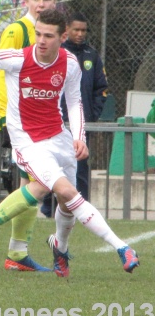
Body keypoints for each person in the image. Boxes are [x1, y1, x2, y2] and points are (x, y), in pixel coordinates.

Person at [0, 8, 139, 277]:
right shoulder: (18, 59)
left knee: (65, 202)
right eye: (38, 34)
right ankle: (122, 247)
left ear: (62, 36)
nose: (41, 40)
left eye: (48, 36)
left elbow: (75, 102)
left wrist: (79, 136)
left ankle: (58, 247)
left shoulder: (69, 63)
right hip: (27, 139)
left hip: (58, 136)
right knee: (68, 191)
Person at [0, 0, 59, 272]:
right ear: (26, 0)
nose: (42, 4)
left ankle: (17, 253)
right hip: (20, 122)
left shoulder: (53, 31)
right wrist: (6, 114)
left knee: (31, 183)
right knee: (34, 182)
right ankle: (0, 240)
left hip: (41, 123)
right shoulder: (17, 30)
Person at [41, 12, 108, 216]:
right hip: (56, 123)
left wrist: (91, 115)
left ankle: (80, 207)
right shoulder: (57, 52)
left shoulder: (91, 55)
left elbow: (101, 89)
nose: (80, 34)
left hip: (81, 124)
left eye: (83, 30)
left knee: (80, 167)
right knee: (52, 165)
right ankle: (48, 208)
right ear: (66, 30)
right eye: (76, 30)